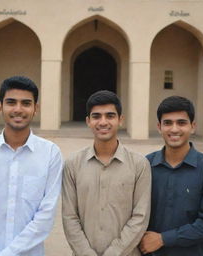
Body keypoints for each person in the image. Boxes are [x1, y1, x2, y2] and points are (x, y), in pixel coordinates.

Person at [0, 76, 63, 256]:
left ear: (36, 109)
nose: (18, 109)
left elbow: (46, 215)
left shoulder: (50, 154)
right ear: (0, 106)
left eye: (26, 103)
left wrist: (9, 253)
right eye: (11, 102)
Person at [62, 90, 151, 256]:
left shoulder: (140, 165)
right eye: (96, 116)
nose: (103, 122)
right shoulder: (72, 164)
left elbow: (140, 217)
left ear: (120, 120)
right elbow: (69, 217)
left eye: (110, 116)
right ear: (88, 121)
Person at [139, 96, 203, 256]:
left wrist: (163, 239)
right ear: (159, 127)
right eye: (168, 123)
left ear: (193, 126)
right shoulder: (145, 165)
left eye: (181, 123)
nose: (174, 129)